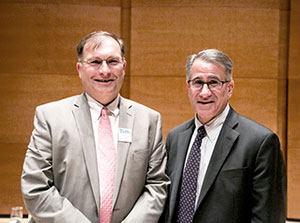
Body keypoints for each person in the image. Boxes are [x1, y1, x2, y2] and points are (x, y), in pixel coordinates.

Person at [21, 31, 169, 223]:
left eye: (112, 61)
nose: (105, 71)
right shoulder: (50, 117)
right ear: (80, 69)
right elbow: (35, 188)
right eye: (95, 62)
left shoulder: (149, 120)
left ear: (123, 66)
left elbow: (157, 186)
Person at [160, 49, 287, 223]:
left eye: (214, 82)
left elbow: (267, 217)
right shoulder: (175, 137)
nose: (205, 92)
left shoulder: (260, 142)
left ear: (230, 88)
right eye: (198, 82)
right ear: (188, 87)